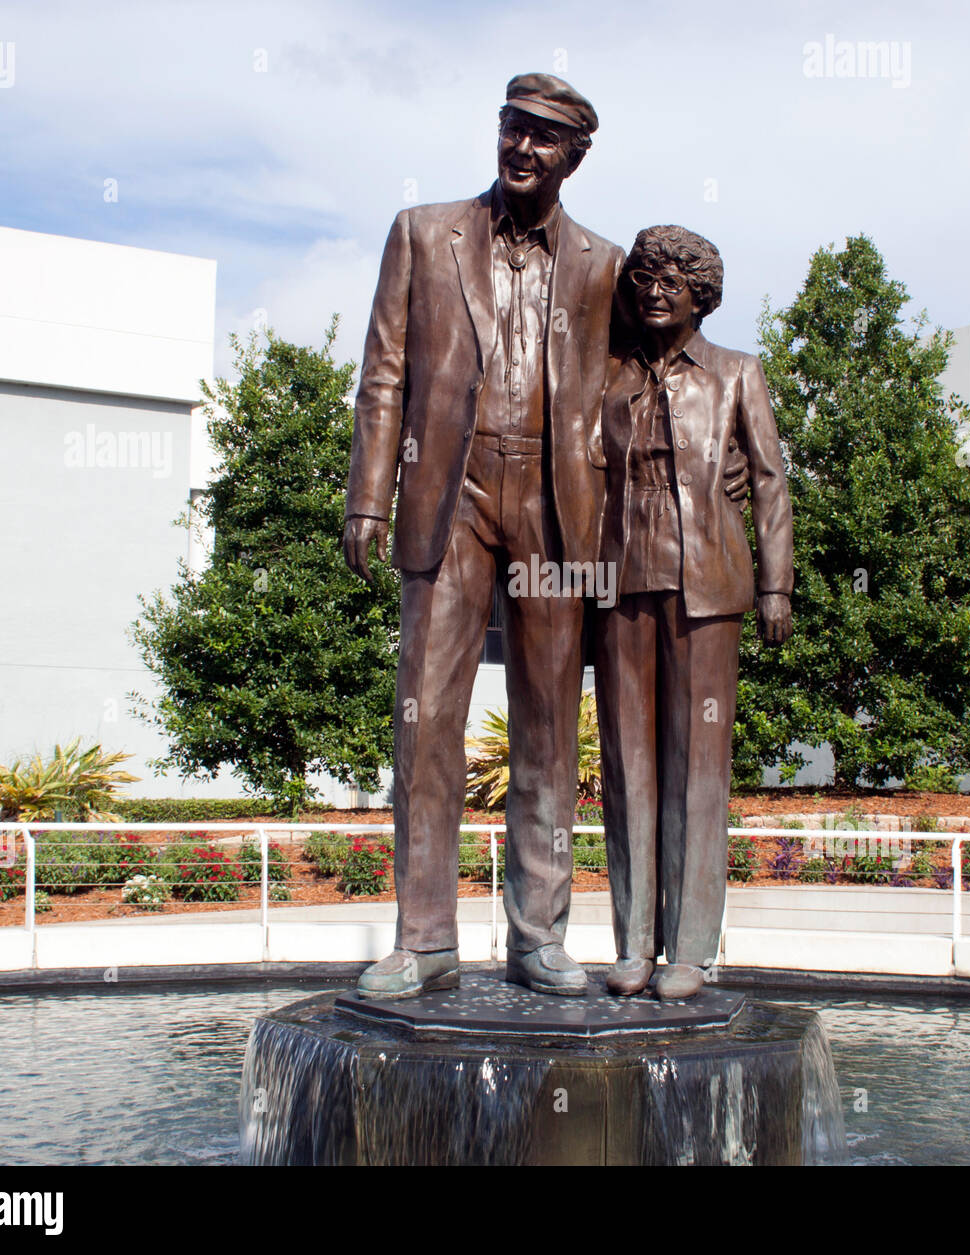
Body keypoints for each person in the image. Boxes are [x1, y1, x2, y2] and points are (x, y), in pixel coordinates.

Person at [341, 74, 625, 997]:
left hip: (553, 504)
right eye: (513, 128)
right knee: (426, 719)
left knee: (548, 725)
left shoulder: (602, 264)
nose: (523, 148)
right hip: (447, 493)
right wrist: (367, 498)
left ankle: (538, 934)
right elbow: (384, 372)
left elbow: (627, 393)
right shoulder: (424, 233)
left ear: (573, 158)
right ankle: (423, 937)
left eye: (545, 138)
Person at [595, 225, 794, 1001]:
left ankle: (691, 948)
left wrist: (777, 586)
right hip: (619, 583)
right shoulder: (608, 378)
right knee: (627, 769)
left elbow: (771, 480)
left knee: (698, 769)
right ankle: (634, 942)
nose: (652, 290)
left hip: (710, 582)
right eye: (643, 277)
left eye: (671, 281)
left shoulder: (737, 373)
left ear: (700, 295)